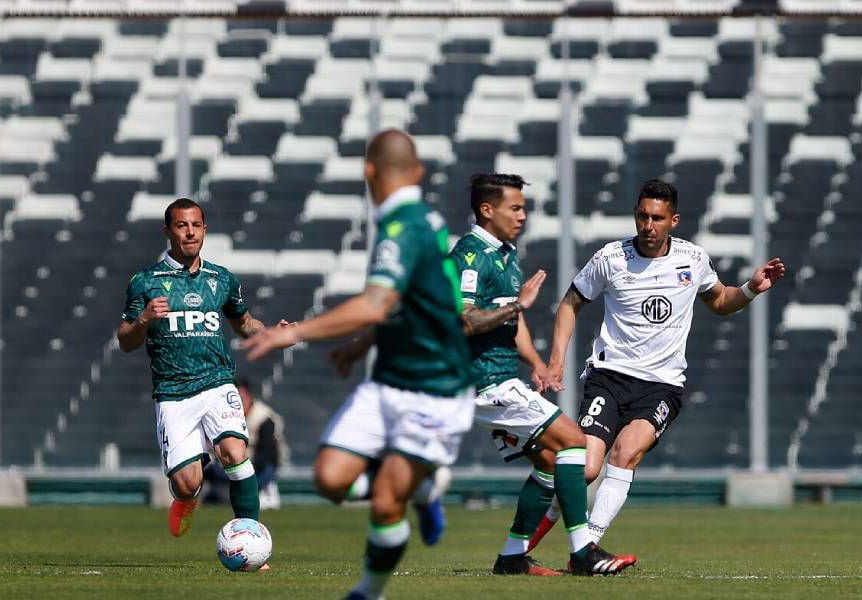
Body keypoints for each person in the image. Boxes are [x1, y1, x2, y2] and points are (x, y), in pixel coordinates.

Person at [243, 129, 474, 600]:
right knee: (329, 479)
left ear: (368, 171)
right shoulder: (421, 219)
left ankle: (368, 592)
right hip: (389, 380)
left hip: (435, 388)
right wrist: (358, 347)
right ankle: (427, 487)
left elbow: (375, 303)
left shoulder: (402, 226)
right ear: (419, 172)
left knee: (387, 500)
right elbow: (404, 307)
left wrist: (294, 331)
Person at [528, 179, 786, 557]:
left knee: (627, 452)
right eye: (642, 216)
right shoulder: (611, 258)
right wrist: (555, 362)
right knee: (584, 469)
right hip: (609, 378)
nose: (648, 225)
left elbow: (719, 301)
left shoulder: (692, 259)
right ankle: (523, 546)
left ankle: (587, 549)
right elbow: (569, 304)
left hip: (661, 385)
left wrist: (749, 288)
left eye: (657, 218)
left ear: (673, 220)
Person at [448, 173, 636, 576]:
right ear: (487, 210)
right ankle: (584, 551)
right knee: (573, 441)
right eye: (514, 207)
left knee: (552, 461)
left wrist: (536, 362)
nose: (522, 215)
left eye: (523, 207)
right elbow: (463, 320)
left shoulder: (505, 253)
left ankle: (513, 558)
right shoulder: (469, 256)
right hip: (483, 382)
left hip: (499, 379)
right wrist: (516, 306)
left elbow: (512, 323)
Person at [117, 197, 286, 547]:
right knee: (187, 481)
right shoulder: (145, 281)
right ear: (168, 231)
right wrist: (145, 320)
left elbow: (244, 324)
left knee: (236, 454)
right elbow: (125, 340)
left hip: (217, 382)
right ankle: (186, 497)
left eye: (196, 225)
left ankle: (250, 541)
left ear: (204, 229)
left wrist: (271, 333)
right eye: (181, 225)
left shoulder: (221, 279)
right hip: (173, 391)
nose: (190, 232)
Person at [203, 377, 288, 509]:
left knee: (263, 471)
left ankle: (258, 493)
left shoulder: (263, 418)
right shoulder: (223, 417)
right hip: (228, 470)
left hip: (257, 470)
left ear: (250, 397)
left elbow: (268, 457)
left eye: (241, 399)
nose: (238, 404)